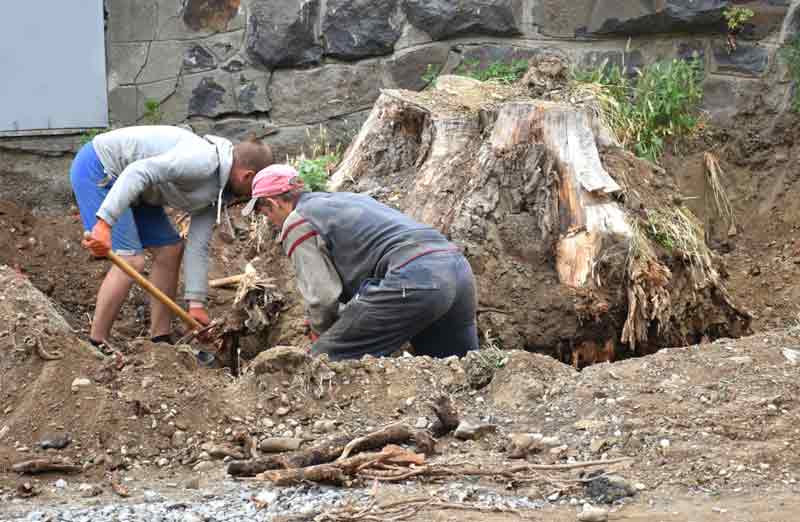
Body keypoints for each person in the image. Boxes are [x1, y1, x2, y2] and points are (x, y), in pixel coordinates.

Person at [242, 164, 479, 361]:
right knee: (460, 370)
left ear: (273, 204)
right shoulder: (346, 199)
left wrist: (323, 338)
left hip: (415, 276)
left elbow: (322, 298)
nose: (272, 222)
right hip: (457, 268)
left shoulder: (297, 221)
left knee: (321, 364)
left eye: (266, 215)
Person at [71, 125, 273, 351]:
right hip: (101, 168)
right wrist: (104, 223)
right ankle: (97, 342)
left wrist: (196, 305)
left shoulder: (219, 191)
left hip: (140, 189)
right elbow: (138, 171)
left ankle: (160, 340)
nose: (246, 198)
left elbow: (198, 245)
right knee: (130, 260)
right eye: (251, 192)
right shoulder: (203, 161)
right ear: (248, 176)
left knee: (170, 249)